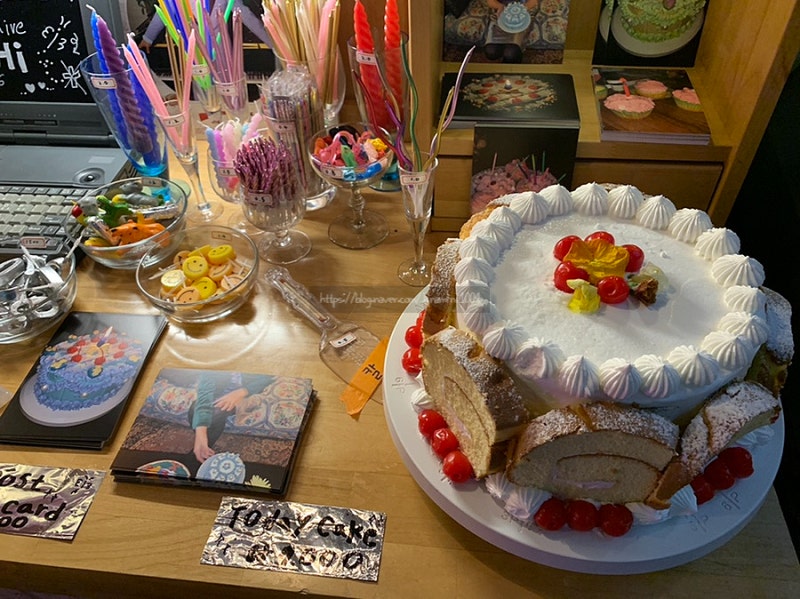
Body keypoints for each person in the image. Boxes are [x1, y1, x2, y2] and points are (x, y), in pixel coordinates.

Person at [185, 371, 271, 463]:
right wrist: (201, 434)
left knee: (218, 411)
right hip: (220, 393)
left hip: (249, 393)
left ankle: (197, 458)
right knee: (195, 408)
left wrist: (241, 392)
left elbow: (267, 378)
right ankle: (202, 452)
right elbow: (205, 390)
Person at [138, 0, 272, 52]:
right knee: (201, 91)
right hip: (193, 49)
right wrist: (148, 38)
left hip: (221, 49)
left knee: (226, 87)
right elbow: (163, 12)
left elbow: (247, 16)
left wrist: (271, 42)